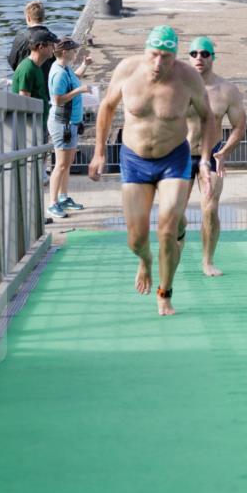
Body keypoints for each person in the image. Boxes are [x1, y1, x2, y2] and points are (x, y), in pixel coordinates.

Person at [88, 25, 216, 316]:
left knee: (168, 229)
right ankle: (145, 261)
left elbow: (209, 118)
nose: (159, 63)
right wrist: (98, 153)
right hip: (134, 160)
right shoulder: (127, 70)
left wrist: (206, 160)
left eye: (166, 57)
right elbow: (106, 108)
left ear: (175, 56)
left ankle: (165, 293)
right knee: (136, 239)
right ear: (146, 51)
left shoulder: (188, 78)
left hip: (173, 158)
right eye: (154, 55)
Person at [183, 36, 246, 276]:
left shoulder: (227, 91)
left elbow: (240, 126)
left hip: (212, 156)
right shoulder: (178, 87)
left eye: (205, 53)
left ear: (213, 57)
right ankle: (176, 249)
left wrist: (224, 151)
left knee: (209, 209)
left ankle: (207, 261)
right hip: (181, 155)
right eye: (194, 53)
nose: (199, 57)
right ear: (189, 57)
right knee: (177, 215)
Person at [46, 37, 92, 219]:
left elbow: (76, 78)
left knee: (67, 164)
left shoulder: (66, 69)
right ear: (64, 52)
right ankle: (53, 203)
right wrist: (79, 91)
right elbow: (57, 99)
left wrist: (85, 65)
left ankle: (63, 197)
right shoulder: (58, 73)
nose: (76, 53)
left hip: (71, 123)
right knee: (61, 164)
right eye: (73, 50)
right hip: (61, 123)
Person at [11, 27, 58, 138]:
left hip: (40, 123)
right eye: (51, 45)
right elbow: (24, 101)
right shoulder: (28, 68)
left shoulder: (37, 66)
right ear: (41, 47)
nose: (54, 48)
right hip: (31, 128)